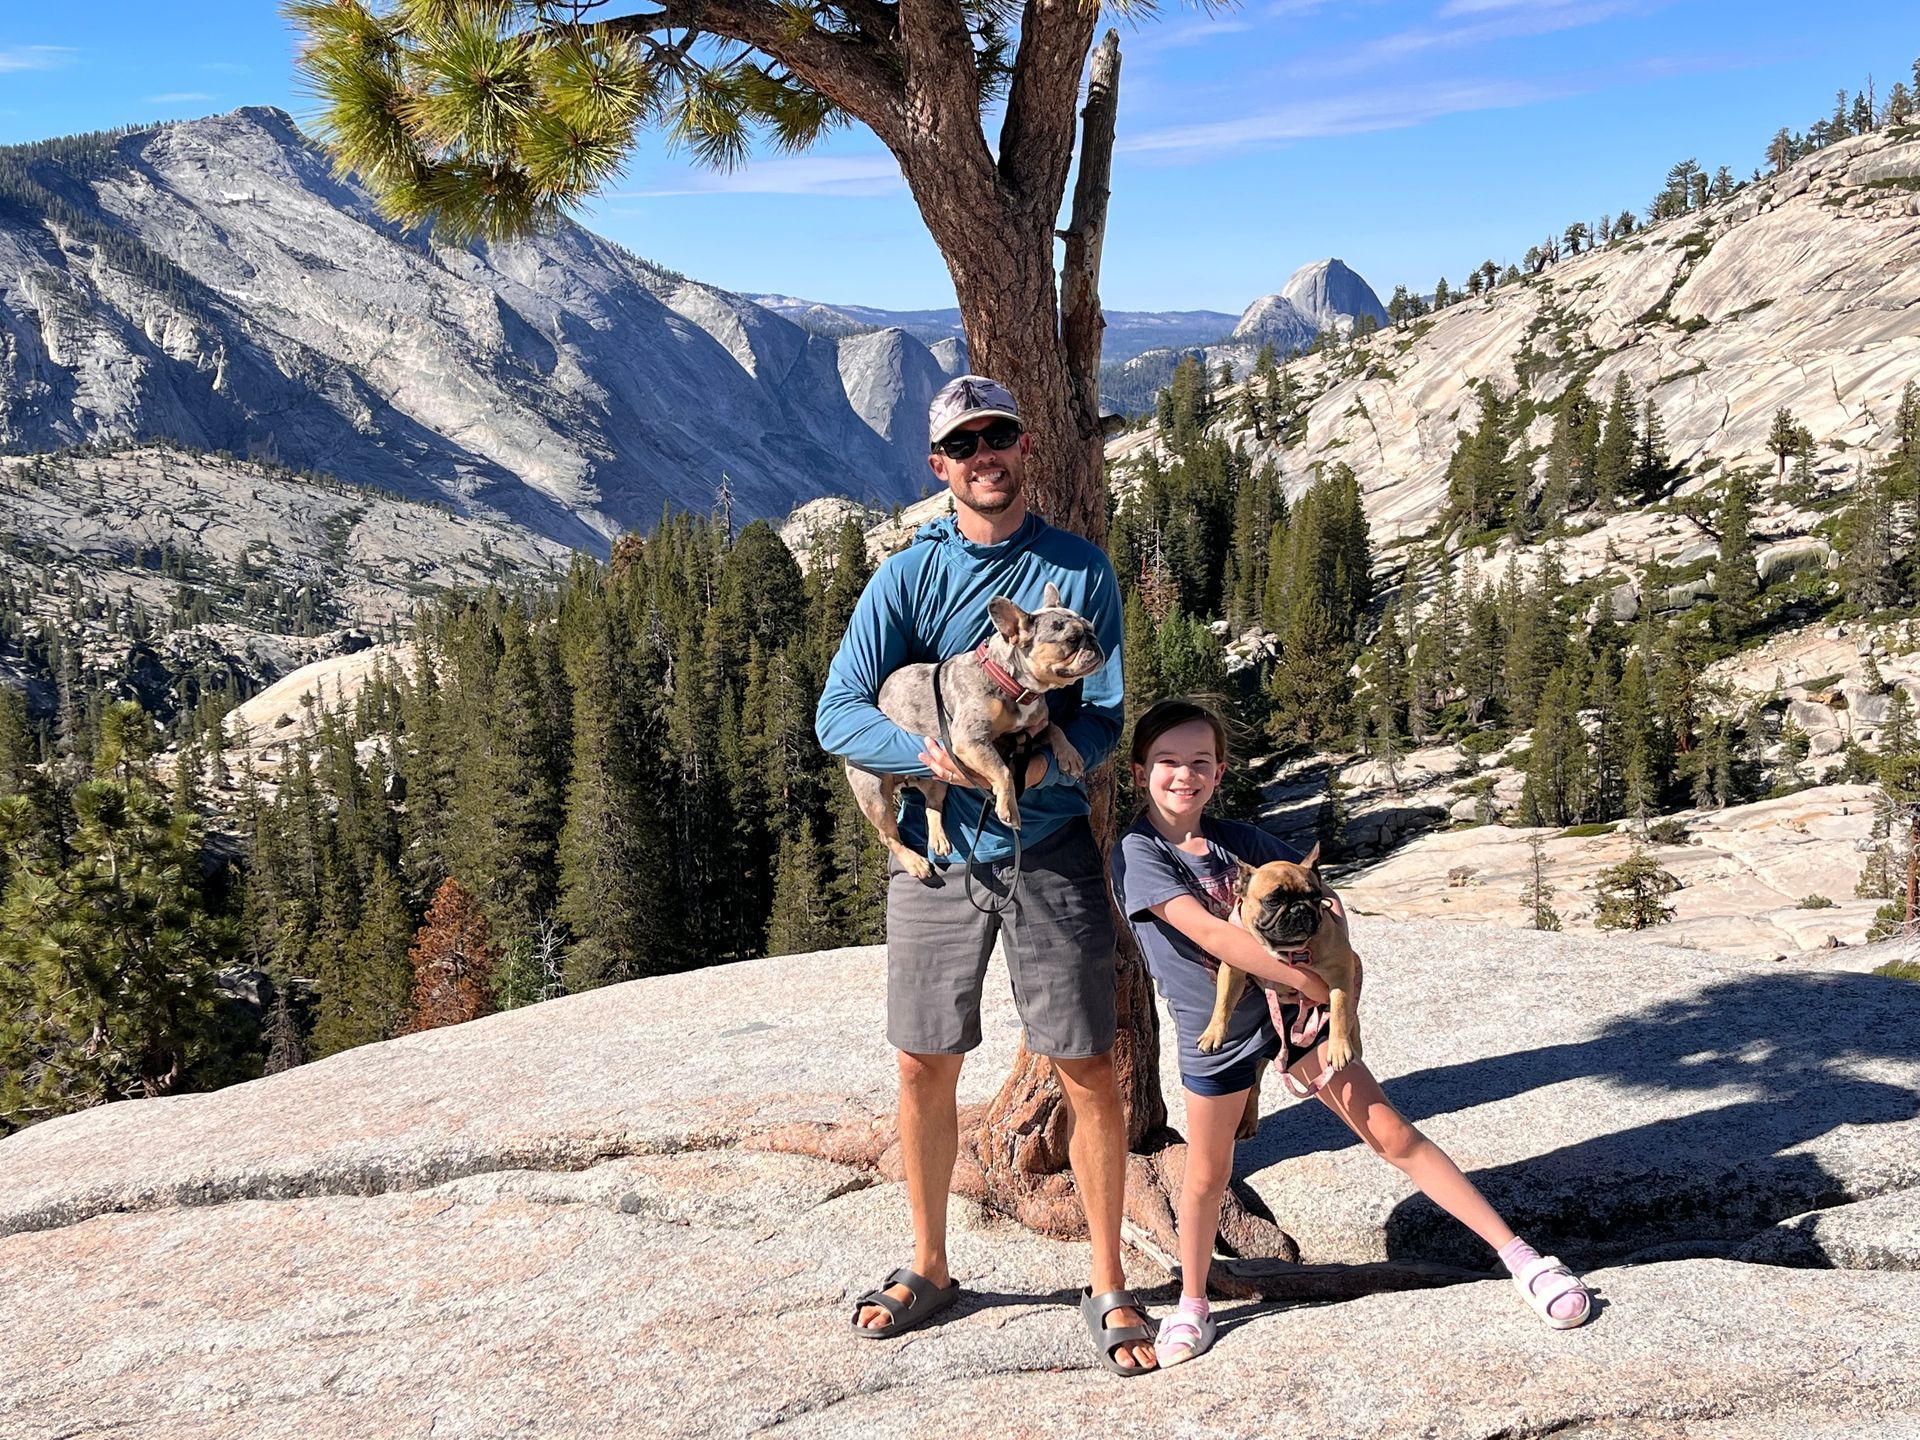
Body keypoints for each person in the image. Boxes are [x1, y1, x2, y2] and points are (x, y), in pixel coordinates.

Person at [815, 375, 1156, 1375]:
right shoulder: (906, 577)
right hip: (939, 862)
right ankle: (930, 1264)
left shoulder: (1078, 570)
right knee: (923, 1063)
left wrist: (1041, 772)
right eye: (963, 444)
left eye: (997, 434)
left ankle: (1108, 1281)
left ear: (1024, 445)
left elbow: (1104, 715)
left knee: (1086, 1063)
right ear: (940, 465)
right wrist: (927, 759)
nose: (984, 455)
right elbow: (839, 713)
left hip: (1047, 847)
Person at [1111, 697, 1593, 1366]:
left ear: (1219, 771)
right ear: (1141, 772)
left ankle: (1522, 1258)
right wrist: (1314, 984)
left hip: (1300, 1023)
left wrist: (1336, 968)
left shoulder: (1238, 839)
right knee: (1207, 1173)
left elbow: (1327, 897)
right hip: (1219, 1031)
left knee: (1391, 1133)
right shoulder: (1140, 852)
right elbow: (1212, 934)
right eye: (1168, 762)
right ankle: (1194, 1301)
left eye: (1200, 762)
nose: (1184, 775)